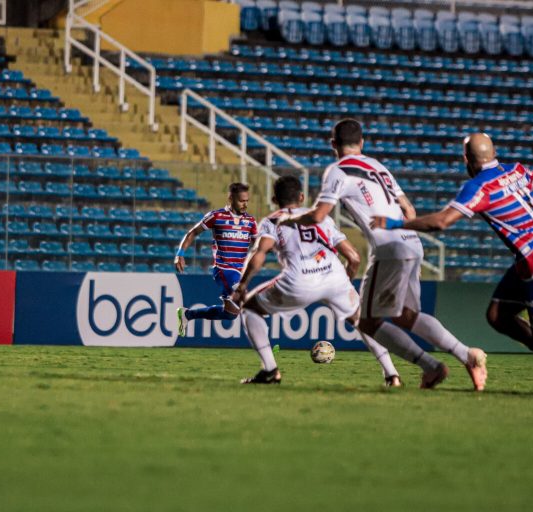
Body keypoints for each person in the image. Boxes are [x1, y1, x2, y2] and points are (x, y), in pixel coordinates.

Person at [372, 133, 533, 396]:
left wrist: (395, 224)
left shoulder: (480, 186)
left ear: (466, 160)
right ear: (493, 153)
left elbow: (441, 222)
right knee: (498, 316)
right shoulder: (517, 171)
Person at [278, 118, 488, 391]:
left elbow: (319, 215)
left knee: (367, 321)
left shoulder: (338, 170)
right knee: (405, 315)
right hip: (411, 243)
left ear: (334, 144)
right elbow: (409, 210)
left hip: (389, 250)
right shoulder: (378, 166)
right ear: (362, 143)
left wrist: (289, 220)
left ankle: (433, 366)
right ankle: (465, 356)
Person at [228, 176, 401, 386]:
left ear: (274, 199)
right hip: (334, 276)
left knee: (250, 308)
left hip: (299, 281)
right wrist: (343, 283)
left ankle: (271, 371)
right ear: (301, 197)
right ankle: (392, 375)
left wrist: (243, 285)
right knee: (361, 321)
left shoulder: (272, 220)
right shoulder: (322, 218)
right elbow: (354, 257)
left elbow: (259, 254)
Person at [174, 183, 257, 336]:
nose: (245, 204)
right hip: (223, 269)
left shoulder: (250, 221)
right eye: (241, 201)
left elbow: (259, 245)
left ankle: (188, 314)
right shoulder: (216, 216)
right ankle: (266, 346)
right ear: (230, 198)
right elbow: (192, 232)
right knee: (248, 300)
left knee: (231, 314)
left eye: (247, 201)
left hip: (240, 271)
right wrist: (180, 253)